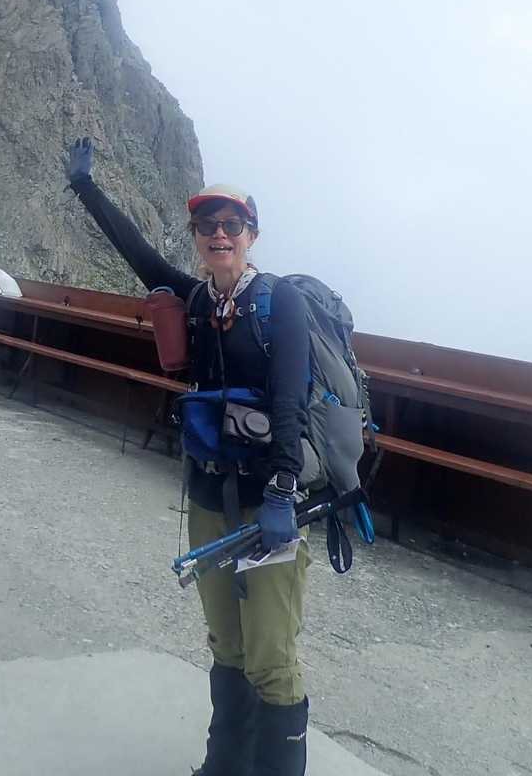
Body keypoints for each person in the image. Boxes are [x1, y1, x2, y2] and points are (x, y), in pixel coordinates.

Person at [65, 136, 311, 776]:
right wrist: (86, 188)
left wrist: (283, 490)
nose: (218, 234)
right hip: (207, 496)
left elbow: (291, 402)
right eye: (207, 226)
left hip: (267, 504)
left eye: (231, 224)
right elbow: (138, 254)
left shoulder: (280, 302)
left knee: (270, 658)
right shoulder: (198, 301)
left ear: (251, 235)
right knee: (226, 646)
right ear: (198, 237)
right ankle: (222, 766)